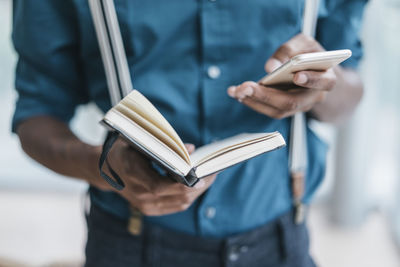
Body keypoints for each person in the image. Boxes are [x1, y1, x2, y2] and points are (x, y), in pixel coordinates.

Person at [11, 0, 367, 266]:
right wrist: (104, 167)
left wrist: (320, 88)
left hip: (281, 241)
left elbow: (350, 87)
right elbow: (36, 116)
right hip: (130, 242)